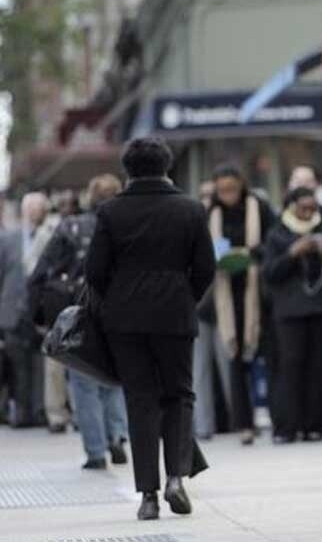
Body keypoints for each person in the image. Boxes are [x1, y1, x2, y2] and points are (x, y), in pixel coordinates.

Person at [85, 137, 215, 520]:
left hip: (125, 321)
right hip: (175, 315)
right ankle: (176, 477)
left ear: (128, 169)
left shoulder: (110, 212)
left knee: (140, 401)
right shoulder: (190, 209)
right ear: (166, 166)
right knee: (179, 395)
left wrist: (117, 300)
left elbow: (94, 271)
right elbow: (205, 268)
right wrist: (184, 296)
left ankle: (148, 496)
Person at [29, 174, 130, 470]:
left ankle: (96, 451)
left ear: (90, 197)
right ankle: (117, 434)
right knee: (115, 378)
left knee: (84, 382)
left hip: (79, 314)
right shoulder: (128, 226)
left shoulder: (69, 226)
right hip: (119, 311)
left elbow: (40, 272)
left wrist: (38, 314)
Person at [261, 187, 322, 443]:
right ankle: (287, 426)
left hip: (320, 309)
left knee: (318, 367)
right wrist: (293, 253)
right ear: (291, 206)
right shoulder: (277, 233)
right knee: (290, 368)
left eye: (312, 208)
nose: (308, 213)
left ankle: (315, 424)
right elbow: (270, 273)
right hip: (289, 313)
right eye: (303, 208)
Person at [207, 163, 276, 446]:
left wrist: (254, 253)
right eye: (222, 190)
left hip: (258, 292)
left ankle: (278, 419)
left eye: (232, 189)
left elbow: (274, 240)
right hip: (227, 292)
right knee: (235, 360)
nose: (228, 195)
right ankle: (244, 424)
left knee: (269, 357)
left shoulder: (258, 207)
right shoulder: (211, 213)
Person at [0, 193, 58, 428]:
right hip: (12, 310)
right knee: (16, 365)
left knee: (39, 363)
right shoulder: (7, 239)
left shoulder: (52, 237)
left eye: (38, 208)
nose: (33, 212)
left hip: (41, 312)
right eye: (30, 208)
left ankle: (38, 411)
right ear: (23, 211)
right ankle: (21, 412)